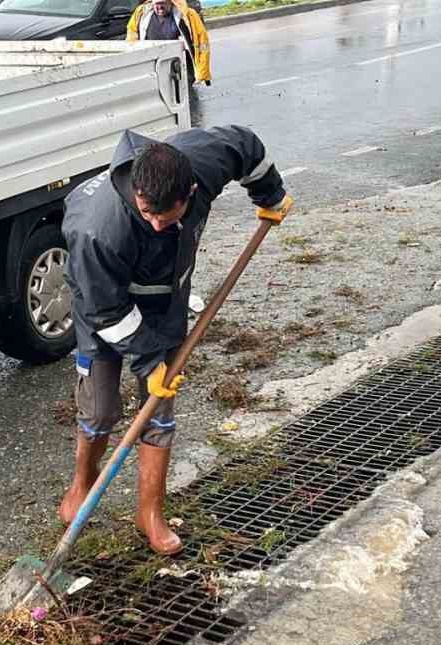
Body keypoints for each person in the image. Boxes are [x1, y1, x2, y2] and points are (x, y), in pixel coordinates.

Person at [59, 126, 292, 555]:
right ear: (137, 192)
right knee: (100, 409)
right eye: (146, 213)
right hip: (102, 304)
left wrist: (269, 195)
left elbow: (247, 147)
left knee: (159, 413)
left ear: (190, 192)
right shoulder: (98, 232)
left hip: (163, 302)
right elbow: (105, 310)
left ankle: (150, 512)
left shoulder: (202, 161)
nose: (153, 223)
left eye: (164, 217)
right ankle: (81, 486)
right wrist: (149, 366)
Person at [126, 0, 211, 86]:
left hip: (181, 72)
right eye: (156, 4)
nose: (159, 7)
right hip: (154, 72)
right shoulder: (142, 13)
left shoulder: (188, 15)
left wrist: (202, 71)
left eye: (162, 3)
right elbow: (132, 33)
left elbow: (202, 43)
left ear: (170, 2)